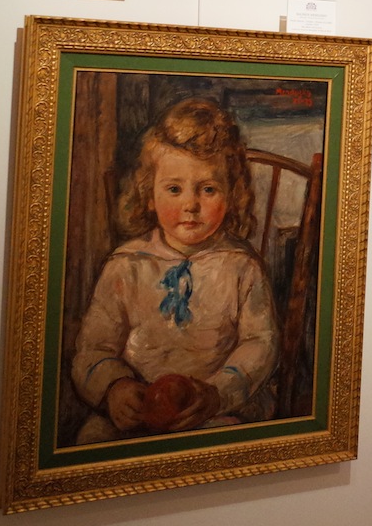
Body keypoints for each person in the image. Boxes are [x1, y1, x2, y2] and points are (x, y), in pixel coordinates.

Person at [71, 97, 279, 443]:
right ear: (149, 195)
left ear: (232, 195)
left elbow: (260, 344)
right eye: (174, 189)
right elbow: (93, 349)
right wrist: (114, 388)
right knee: (91, 441)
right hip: (137, 411)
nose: (191, 204)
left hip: (216, 408)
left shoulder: (242, 266)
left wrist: (217, 393)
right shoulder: (126, 266)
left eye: (208, 189)